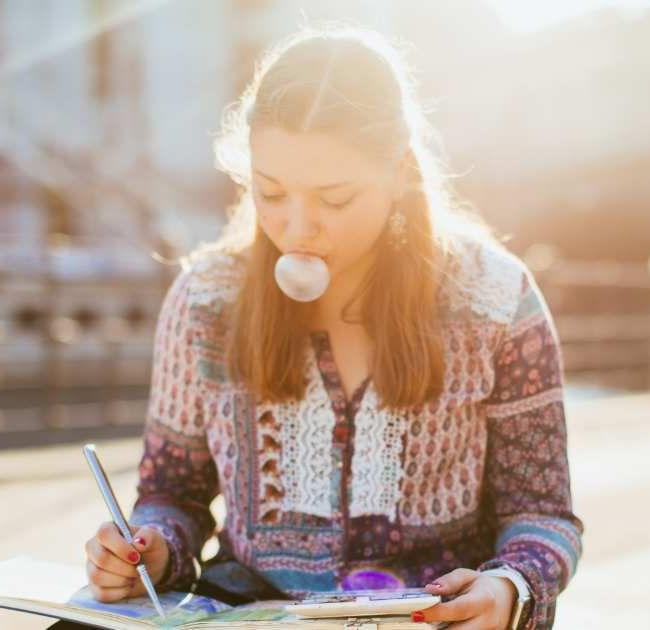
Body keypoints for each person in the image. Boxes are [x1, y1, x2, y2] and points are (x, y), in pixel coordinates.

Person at [81, 24, 582, 630]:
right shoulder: (204, 303)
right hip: (248, 612)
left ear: (398, 172)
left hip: (429, 619)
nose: (296, 228)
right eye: (271, 192)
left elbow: (543, 513)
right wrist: (152, 550)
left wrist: (509, 588)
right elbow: (172, 495)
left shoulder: (498, 299)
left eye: (335, 199)